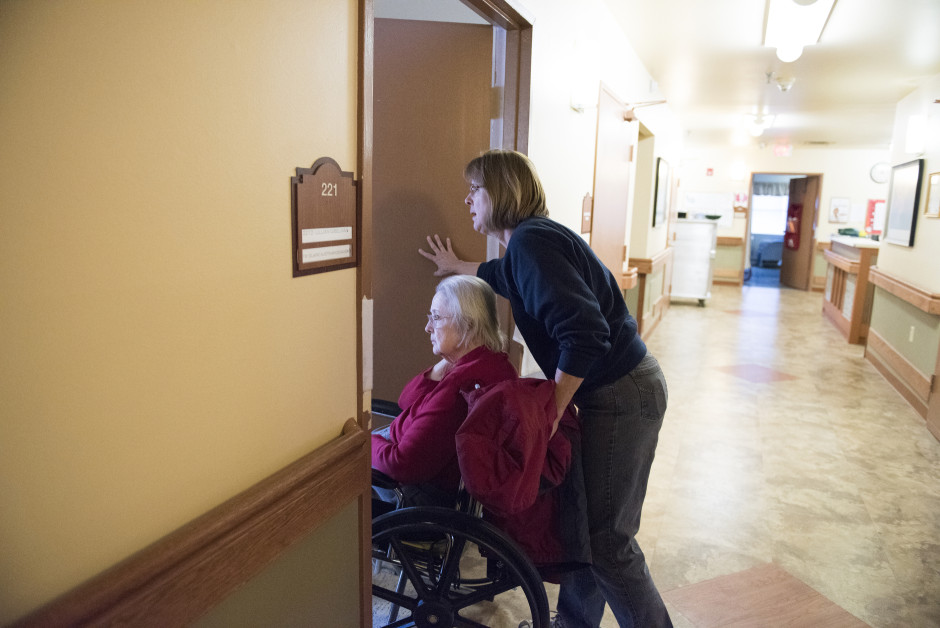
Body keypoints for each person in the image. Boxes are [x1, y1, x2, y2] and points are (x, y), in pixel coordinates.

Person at [418, 149, 671, 628]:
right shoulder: (527, 246)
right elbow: (506, 277)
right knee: (587, 531)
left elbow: (586, 333)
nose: (467, 198)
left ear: (502, 192)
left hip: (622, 394)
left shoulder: (532, 243)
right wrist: (459, 265)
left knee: (608, 541)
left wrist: (551, 408)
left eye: (475, 189)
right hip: (615, 391)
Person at [371, 275, 517, 508]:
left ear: (467, 325)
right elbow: (405, 401)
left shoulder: (462, 387)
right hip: (428, 479)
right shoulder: (494, 364)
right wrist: (446, 363)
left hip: (417, 498)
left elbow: (402, 464)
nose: (428, 327)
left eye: (436, 318)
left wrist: (365, 443)